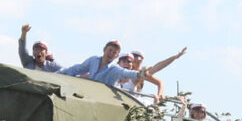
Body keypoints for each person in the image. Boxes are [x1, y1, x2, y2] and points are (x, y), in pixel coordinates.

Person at [58, 40, 186, 88]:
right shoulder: (93, 61)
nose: (110, 53)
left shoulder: (115, 70)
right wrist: (59, 74)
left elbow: (128, 73)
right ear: (104, 50)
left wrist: (175, 57)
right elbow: (78, 69)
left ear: (115, 56)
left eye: (114, 52)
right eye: (109, 50)